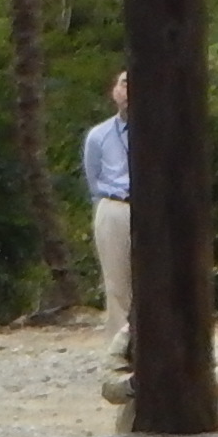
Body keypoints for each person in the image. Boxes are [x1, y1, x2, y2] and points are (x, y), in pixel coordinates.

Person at [83, 71, 133, 354]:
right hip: (114, 205)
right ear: (114, 92)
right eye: (123, 84)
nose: (128, 91)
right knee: (116, 283)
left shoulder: (158, 131)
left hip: (150, 208)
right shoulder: (98, 135)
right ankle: (119, 351)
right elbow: (94, 179)